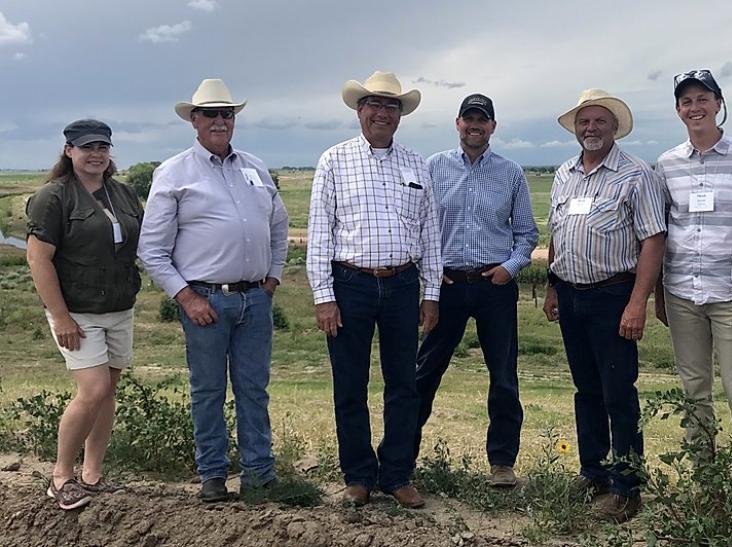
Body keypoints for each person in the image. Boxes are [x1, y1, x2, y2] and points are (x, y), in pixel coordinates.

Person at [138, 79, 289, 502]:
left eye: (228, 114)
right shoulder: (173, 172)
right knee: (208, 391)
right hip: (205, 300)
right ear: (194, 120)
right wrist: (187, 297)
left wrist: (273, 277)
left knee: (254, 389)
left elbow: (278, 226)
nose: (220, 121)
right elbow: (151, 249)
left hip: (255, 298)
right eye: (211, 114)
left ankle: (260, 475)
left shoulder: (255, 168)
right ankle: (213, 475)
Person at [307, 71, 442, 509]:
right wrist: (323, 295)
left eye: (392, 106)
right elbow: (320, 234)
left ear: (400, 116)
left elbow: (430, 233)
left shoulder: (416, 164)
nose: (382, 113)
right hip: (350, 285)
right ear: (359, 110)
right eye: (375, 105)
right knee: (350, 384)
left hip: (403, 284)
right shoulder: (334, 160)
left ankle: (397, 474)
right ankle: (359, 476)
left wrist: (431, 292)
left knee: (404, 383)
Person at [542, 89, 666, 523]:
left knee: (618, 394)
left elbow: (653, 240)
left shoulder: (636, 175)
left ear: (615, 127)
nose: (590, 128)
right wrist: (552, 284)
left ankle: (627, 489)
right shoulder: (564, 174)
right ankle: (592, 472)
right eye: (583, 122)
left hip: (614, 295)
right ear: (575, 128)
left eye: (599, 121)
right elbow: (559, 231)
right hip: (572, 295)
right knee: (587, 391)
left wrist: (637, 303)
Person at [653, 69, 732, 498]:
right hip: (683, 292)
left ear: (719, 103)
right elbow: (661, 232)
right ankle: (708, 490)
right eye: (686, 101)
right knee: (694, 395)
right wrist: (658, 294)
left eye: (703, 97)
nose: (695, 107)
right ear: (677, 110)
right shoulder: (667, 164)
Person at [414, 94, 538, 488]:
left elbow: (526, 234)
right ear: (457, 123)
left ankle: (502, 463)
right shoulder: (433, 168)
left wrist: (510, 267)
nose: (475, 126)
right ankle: (400, 457)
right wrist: (427, 275)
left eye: (482, 120)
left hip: (493, 285)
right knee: (424, 372)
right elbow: (418, 228)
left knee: (503, 375)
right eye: (469, 119)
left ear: (493, 127)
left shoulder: (511, 173)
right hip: (446, 285)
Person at [26, 119, 143, 510]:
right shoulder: (53, 197)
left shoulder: (123, 194)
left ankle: (92, 473)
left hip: (118, 308)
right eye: (87, 147)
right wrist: (60, 317)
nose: (96, 153)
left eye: (103, 147)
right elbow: (38, 259)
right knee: (91, 390)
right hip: (77, 311)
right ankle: (61, 476)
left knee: (108, 392)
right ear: (68, 151)